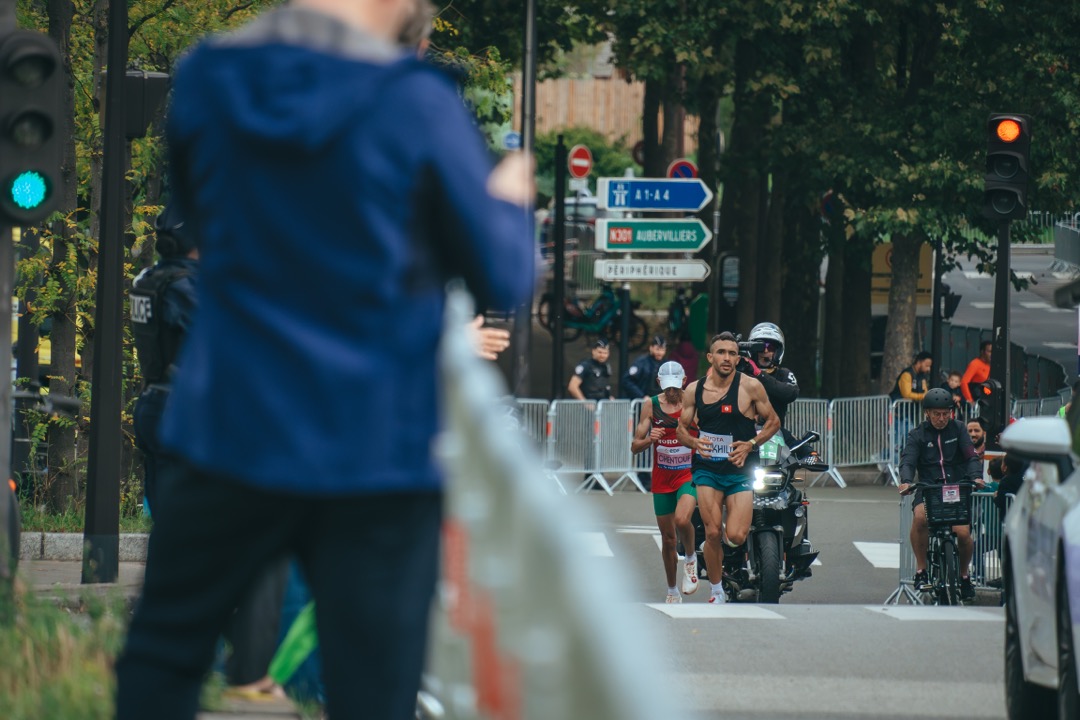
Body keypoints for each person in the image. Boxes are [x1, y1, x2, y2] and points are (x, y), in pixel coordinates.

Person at [114, 0, 536, 717]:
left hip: (226, 429)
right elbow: (503, 273)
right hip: (373, 451)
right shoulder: (417, 104)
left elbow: (203, 218)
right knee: (371, 691)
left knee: (162, 660)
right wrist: (508, 203)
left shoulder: (210, 77)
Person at [676, 332, 780, 605]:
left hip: (740, 469)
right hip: (708, 469)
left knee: (735, 534)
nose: (727, 358)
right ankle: (717, 591)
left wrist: (751, 444)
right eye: (721, 352)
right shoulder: (694, 390)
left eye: (732, 353)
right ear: (710, 357)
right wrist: (695, 443)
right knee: (712, 533)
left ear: (738, 358)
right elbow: (681, 430)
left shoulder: (751, 387)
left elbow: (773, 422)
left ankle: (719, 550)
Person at [130, 204, 198, 515]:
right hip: (183, 410)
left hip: (151, 403)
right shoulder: (184, 287)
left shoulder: (148, 280)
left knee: (165, 517)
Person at [897, 388, 984, 601]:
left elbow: (971, 457)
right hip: (928, 489)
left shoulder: (960, 429)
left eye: (946, 413)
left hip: (956, 488)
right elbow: (908, 460)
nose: (942, 418)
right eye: (937, 414)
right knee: (919, 518)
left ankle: (964, 576)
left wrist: (975, 477)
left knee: (963, 533)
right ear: (927, 413)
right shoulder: (917, 434)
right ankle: (921, 571)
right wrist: (906, 481)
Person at [630, 361, 699, 603]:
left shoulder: (692, 402)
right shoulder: (651, 405)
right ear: (659, 383)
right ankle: (672, 591)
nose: (671, 392)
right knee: (668, 538)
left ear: (683, 381)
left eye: (675, 386)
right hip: (662, 478)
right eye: (666, 387)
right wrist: (650, 439)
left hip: (687, 474)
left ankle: (691, 558)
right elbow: (634, 446)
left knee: (682, 519)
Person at [740, 322, 799, 426]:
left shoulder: (783, 373)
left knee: (803, 442)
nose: (765, 351)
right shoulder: (741, 372)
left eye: (771, 348)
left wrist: (759, 374)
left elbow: (790, 393)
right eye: (761, 347)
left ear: (777, 352)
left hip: (775, 433)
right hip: (744, 433)